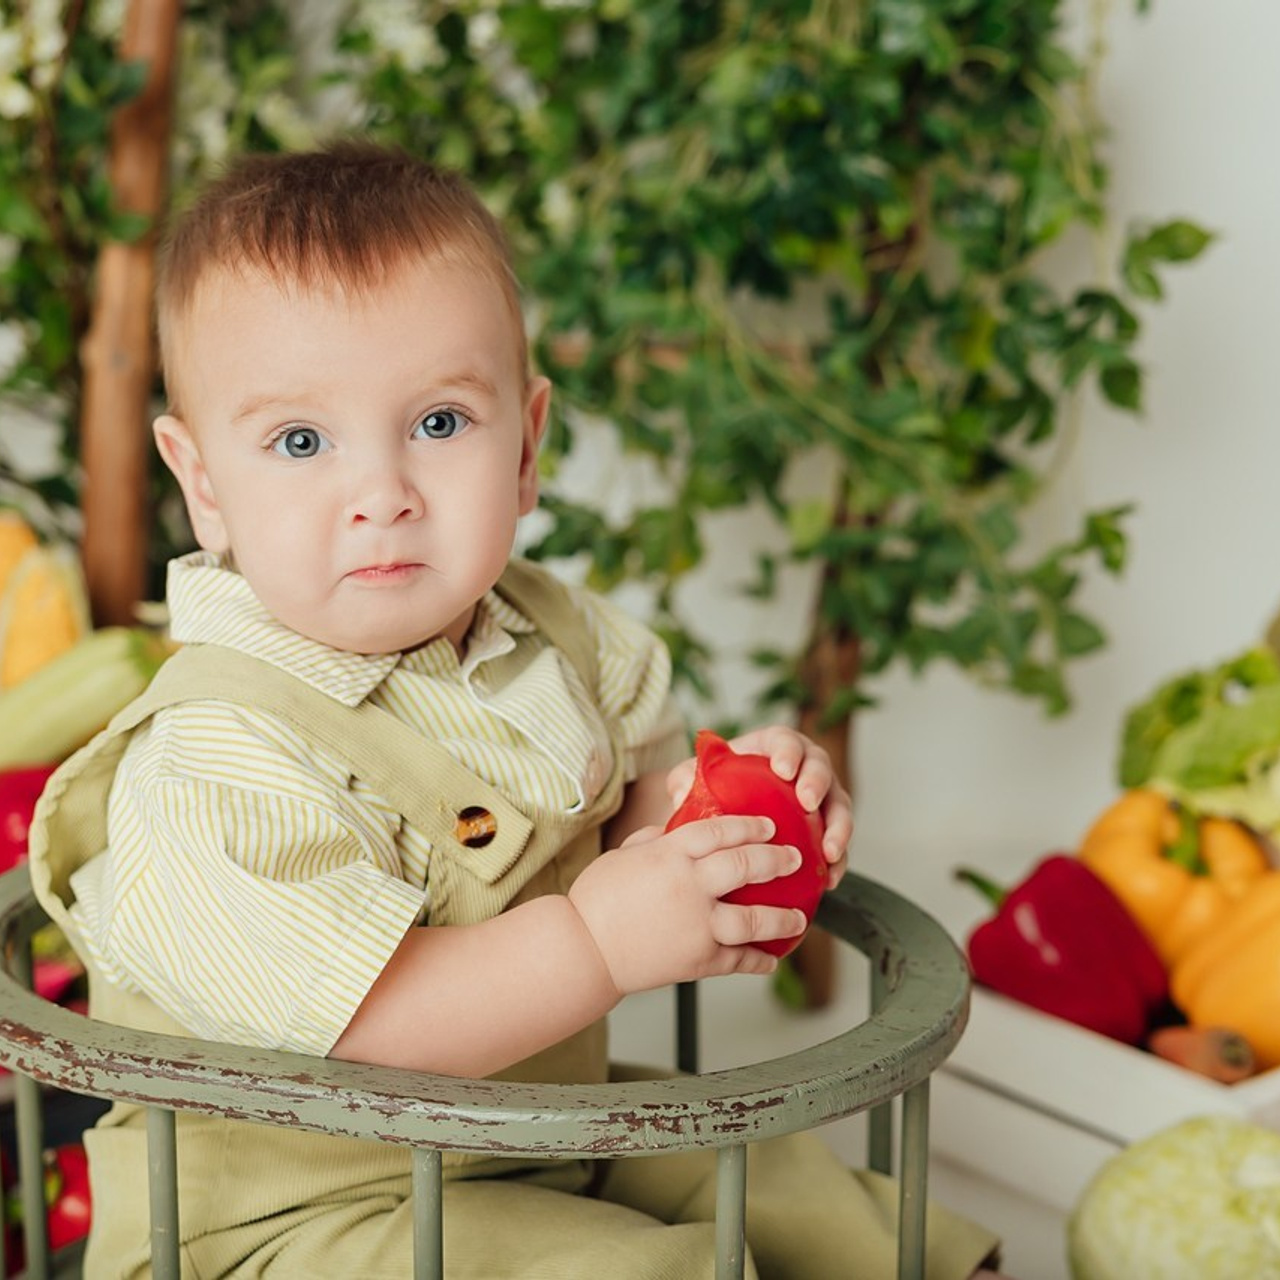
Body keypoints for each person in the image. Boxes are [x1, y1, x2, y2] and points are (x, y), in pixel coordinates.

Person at [29, 141, 1002, 1278]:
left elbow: (618, 821)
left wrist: (723, 821)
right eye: (301, 441)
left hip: (530, 1139)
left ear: (528, 444)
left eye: (439, 423)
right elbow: (375, 1025)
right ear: (204, 486)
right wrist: (597, 940)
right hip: (293, 1221)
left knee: (799, 1191)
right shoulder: (215, 753)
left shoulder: (557, 637)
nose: (382, 493)